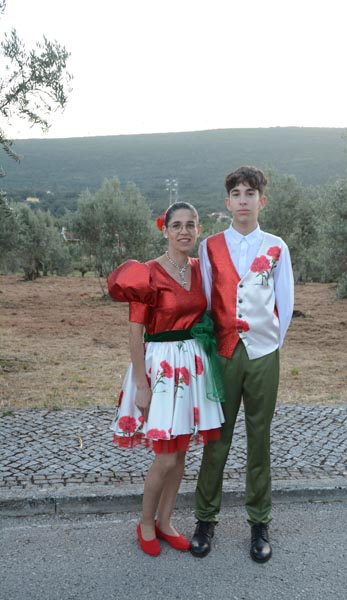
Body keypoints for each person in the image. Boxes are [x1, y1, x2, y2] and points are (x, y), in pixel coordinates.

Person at [108, 201, 225, 557]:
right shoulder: (147, 273)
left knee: (181, 452)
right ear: (165, 230)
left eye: (191, 224)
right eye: (177, 225)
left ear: (199, 229)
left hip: (191, 368)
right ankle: (145, 522)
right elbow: (135, 333)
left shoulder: (201, 269)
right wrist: (141, 385)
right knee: (166, 457)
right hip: (159, 369)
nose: (184, 231)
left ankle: (166, 521)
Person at [190, 166, 294, 563]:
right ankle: (205, 519)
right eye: (237, 194)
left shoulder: (277, 247)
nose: (243, 200)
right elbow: (205, 300)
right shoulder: (210, 246)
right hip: (223, 353)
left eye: (250, 193)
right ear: (228, 202)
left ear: (261, 201)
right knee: (216, 437)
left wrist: (268, 344)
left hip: (263, 354)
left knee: (259, 438)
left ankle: (259, 522)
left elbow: (285, 303)